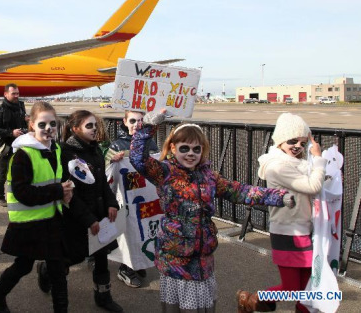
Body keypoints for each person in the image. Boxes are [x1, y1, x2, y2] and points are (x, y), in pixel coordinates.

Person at [130, 110, 294, 313]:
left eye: (196, 149)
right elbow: (138, 159)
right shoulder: (164, 173)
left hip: (203, 256)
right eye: (184, 148)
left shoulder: (210, 177)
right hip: (176, 257)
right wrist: (147, 126)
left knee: (204, 306)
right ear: (172, 148)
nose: (191, 153)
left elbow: (241, 191)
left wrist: (279, 196)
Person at [236, 113, 326, 313]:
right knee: (293, 288)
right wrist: (319, 160)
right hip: (287, 232)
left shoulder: (298, 164)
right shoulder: (277, 166)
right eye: (292, 141)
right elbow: (312, 186)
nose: (298, 147)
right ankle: (253, 299)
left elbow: (315, 183)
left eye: (303, 143)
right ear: (280, 141)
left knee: (307, 288)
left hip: (304, 230)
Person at [0, 102, 73, 313]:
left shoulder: (56, 149)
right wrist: (58, 191)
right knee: (23, 265)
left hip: (52, 220)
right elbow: (22, 193)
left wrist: (68, 190)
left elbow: (59, 179)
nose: (48, 128)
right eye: (42, 124)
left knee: (58, 271)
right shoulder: (22, 155)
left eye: (52, 123)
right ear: (32, 125)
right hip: (29, 223)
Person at [52, 109, 123, 312]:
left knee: (101, 258)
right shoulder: (66, 153)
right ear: (75, 129)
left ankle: (103, 296)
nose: (94, 129)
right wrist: (88, 219)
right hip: (76, 218)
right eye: (89, 126)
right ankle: (47, 271)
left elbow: (103, 184)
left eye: (95, 125)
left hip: (99, 214)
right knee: (72, 257)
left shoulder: (96, 149)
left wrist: (111, 204)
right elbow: (70, 194)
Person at [107, 110, 159, 288]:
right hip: (126, 199)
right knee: (128, 232)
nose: (136, 124)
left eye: (140, 120)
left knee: (144, 232)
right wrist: (112, 159)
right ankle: (126, 267)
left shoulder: (151, 143)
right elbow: (105, 170)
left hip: (146, 199)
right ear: (125, 121)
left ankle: (138, 262)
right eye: (132, 120)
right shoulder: (116, 144)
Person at [0, 83, 28, 207]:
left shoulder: (21, 107)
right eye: (14, 93)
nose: (16, 96)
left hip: (20, 144)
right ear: (5, 94)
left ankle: (19, 194)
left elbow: (22, 122)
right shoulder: (0, 110)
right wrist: (11, 133)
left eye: (18, 93)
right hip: (6, 146)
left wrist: (27, 122)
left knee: (20, 171)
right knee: (3, 172)